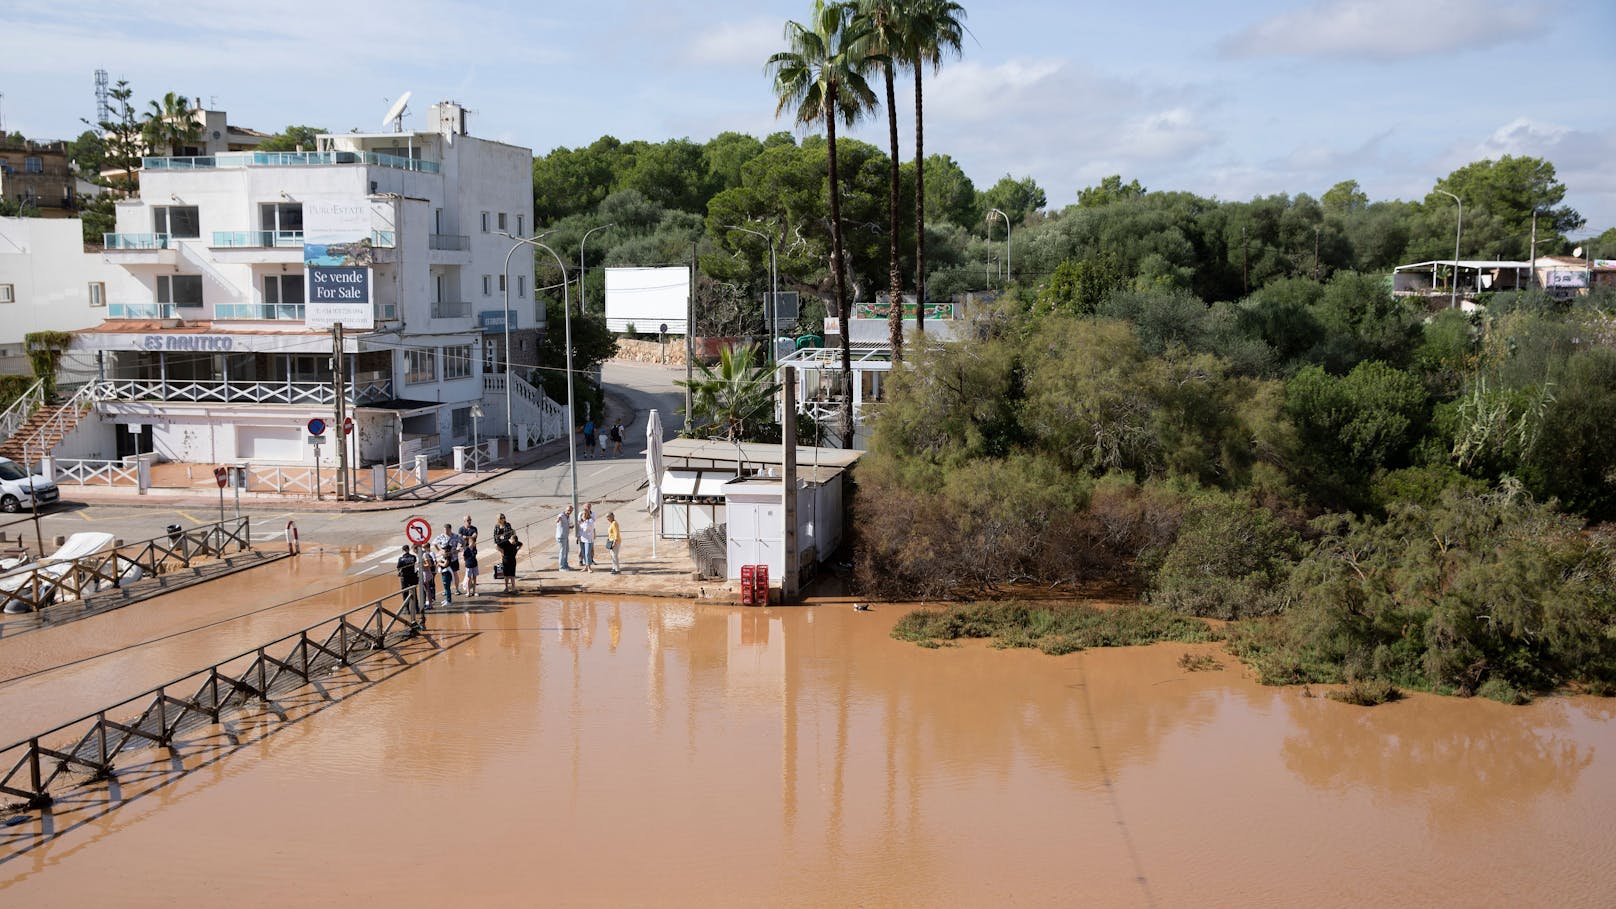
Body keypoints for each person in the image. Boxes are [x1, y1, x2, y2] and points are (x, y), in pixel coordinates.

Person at [433, 523, 462, 596]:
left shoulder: (455, 536)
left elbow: (463, 542)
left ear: (450, 529)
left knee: (455, 573)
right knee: (445, 574)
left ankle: (457, 589)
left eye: (447, 529)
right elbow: (434, 543)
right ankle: (446, 590)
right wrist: (439, 551)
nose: (445, 531)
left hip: (454, 558)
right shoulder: (441, 536)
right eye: (444, 530)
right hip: (444, 558)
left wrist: (458, 549)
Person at [458, 514, 480, 595]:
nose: (469, 521)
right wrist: (469, 537)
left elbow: (474, 536)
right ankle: (468, 591)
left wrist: (466, 537)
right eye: (468, 520)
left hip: (473, 551)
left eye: (470, 520)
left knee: (474, 576)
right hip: (465, 551)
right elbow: (460, 538)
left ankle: (473, 591)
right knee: (468, 575)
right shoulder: (461, 529)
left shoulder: (474, 528)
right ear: (464, 521)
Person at [432, 535, 456, 608]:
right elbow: (439, 551)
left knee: (447, 587)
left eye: (444, 549)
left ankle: (449, 601)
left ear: (447, 549)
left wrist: (439, 563)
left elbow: (445, 564)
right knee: (445, 587)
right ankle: (447, 599)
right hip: (444, 572)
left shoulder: (448, 556)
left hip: (446, 572)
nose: (443, 549)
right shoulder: (446, 554)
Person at [497, 529, 522, 593]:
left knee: (512, 575)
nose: (514, 544)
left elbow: (521, 544)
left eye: (515, 543)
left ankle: (513, 588)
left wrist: (518, 549)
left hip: (513, 560)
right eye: (513, 542)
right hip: (506, 560)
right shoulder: (505, 542)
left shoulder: (516, 542)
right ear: (511, 539)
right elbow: (497, 545)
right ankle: (506, 588)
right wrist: (501, 551)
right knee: (506, 575)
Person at [396, 545, 420, 612]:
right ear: (408, 549)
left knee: (405, 593)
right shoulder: (413, 557)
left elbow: (398, 567)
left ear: (403, 550)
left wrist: (400, 572)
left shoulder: (401, 559)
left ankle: (407, 609)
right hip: (412, 577)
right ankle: (416, 608)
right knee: (414, 592)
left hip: (405, 578)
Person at [577, 504, 596, 573]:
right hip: (582, 539)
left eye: (585, 514)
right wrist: (578, 537)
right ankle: (586, 567)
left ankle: (589, 567)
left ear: (587, 515)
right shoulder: (581, 522)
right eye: (582, 514)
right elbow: (579, 530)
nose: (583, 515)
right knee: (584, 553)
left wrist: (583, 523)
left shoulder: (590, 521)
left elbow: (588, 529)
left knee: (588, 553)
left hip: (588, 539)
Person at [418, 544, 437, 609]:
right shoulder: (422, 554)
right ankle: (429, 603)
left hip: (426, 574)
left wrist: (421, 565)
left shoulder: (424, 554)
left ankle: (430, 604)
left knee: (427, 590)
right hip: (425, 573)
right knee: (427, 590)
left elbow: (429, 564)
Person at [555, 505, 573, 570]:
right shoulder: (561, 515)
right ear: (565, 510)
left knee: (566, 551)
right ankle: (561, 567)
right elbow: (558, 518)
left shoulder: (568, 516)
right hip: (561, 536)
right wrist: (557, 520)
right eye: (568, 510)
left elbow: (565, 525)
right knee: (562, 552)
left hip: (565, 536)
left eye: (570, 511)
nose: (569, 512)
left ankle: (565, 565)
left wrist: (570, 527)